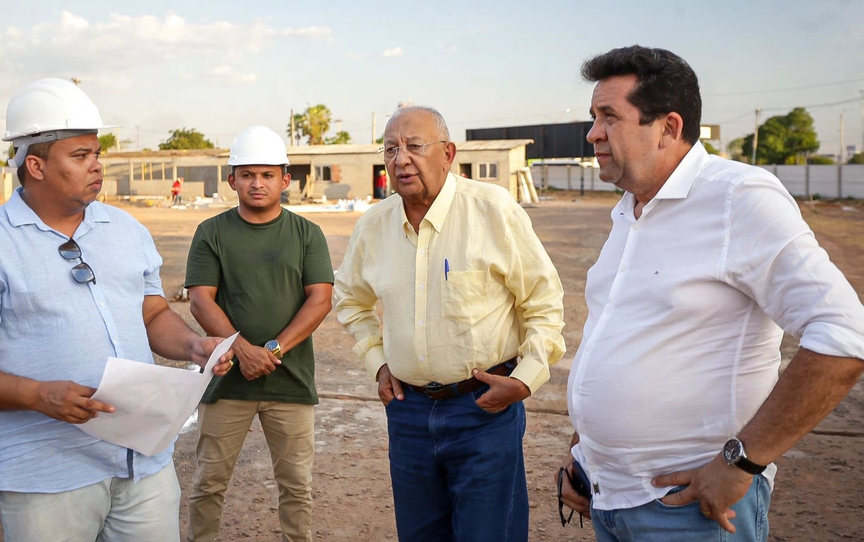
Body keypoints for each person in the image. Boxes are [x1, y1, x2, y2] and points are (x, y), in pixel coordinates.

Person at [557, 46, 864, 541]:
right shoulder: (629, 212)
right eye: (594, 117)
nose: (592, 132)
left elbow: (845, 335)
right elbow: (621, 342)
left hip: (687, 510)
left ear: (669, 128)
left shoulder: (736, 198)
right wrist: (586, 451)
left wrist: (740, 464)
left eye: (609, 117)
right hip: (609, 499)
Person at [0, 77, 234, 542]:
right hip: (45, 473)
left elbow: (151, 314)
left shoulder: (125, 229)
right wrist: (38, 395)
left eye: (97, 154)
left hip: (142, 462)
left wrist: (194, 344)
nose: (97, 167)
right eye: (80, 156)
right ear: (35, 165)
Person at [334, 106, 566, 542]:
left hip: (483, 409)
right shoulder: (374, 226)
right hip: (408, 414)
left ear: (448, 154)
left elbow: (543, 298)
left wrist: (527, 379)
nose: (401, 159)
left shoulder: (491, 210)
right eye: (390, 149)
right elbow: (348, 299)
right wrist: (378, 363)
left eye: (415, 146)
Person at [185, 125, 334, 542]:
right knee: (209, 483)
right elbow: (200, 301)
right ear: (231, 180)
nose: (257, 183)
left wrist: (272, 350)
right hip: (225, 382)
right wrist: (244, 351)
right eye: (247, 174)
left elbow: (320, 300)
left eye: (268, 175)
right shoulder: (212, 232)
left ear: (285, 180)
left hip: (291, 382)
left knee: (296, 487)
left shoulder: (307, 233)